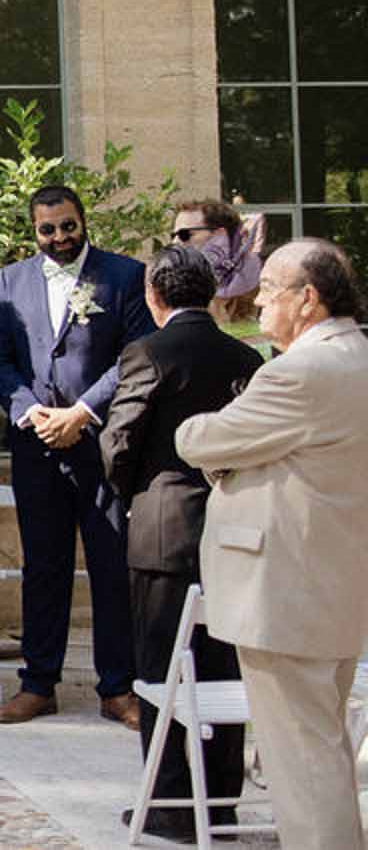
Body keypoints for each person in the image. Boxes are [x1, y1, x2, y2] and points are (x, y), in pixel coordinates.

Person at [176, 238, 368, 850]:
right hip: (331, 588)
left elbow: (200, 440)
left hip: (285, 594)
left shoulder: (299, 371)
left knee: (304, 767)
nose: (257, 300)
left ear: (308, 299)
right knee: (323, 747)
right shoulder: (357, 355)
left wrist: (221, 449)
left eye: (270, 290)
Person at [99, 244, 262, 843]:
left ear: (154, 296)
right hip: (233, 526)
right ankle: (220, 803)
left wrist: (135, 494)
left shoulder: (146, 352)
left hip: (164, 533)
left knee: (166, 668)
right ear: (211, 293)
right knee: (223, 669)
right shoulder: (245, 355)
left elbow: (119, 444)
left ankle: (170, 805)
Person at [0, 184, 152, 727]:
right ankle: (38, 684)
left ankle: (117, 688)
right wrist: (32, 412)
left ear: (83, 221)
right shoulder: (12, 280)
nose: (59, 237)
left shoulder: (124, 276)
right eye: (47, 229)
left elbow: (135, 355)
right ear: (33, 231)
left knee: (110, 567)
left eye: (67, 226)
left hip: (101, 446)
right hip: (37, 447)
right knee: (44, 567)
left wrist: (81, 412)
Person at [168, 199, 264, 326]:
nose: (175, 243)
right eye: (173, 235)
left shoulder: (263, 290)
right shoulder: (173, 292)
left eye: (185, 234)